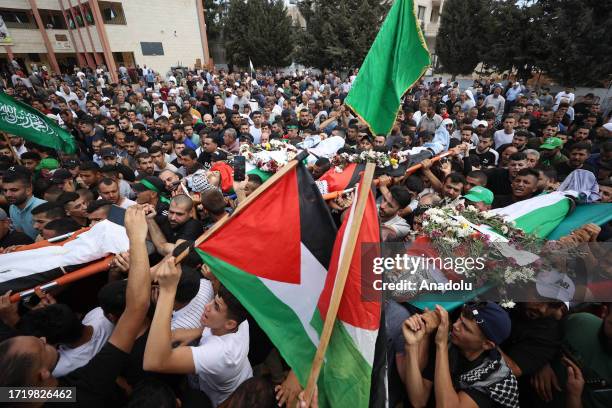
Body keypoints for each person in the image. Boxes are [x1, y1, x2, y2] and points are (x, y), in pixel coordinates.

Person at [0, 206, 152, 408]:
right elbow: (136, 308)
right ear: (44, 374)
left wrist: (16, 259)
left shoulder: (21, 396)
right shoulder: (84, 391)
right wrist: (136, 240)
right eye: (42, 346)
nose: (44, 338)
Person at [143, 261, 252, 407]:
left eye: (216, 307)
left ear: (230, 324)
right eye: (213, 300)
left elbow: (153, 362)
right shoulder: (240, 320)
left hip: (221, 398)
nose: (207, 306)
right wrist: (195, 332)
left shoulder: (221, 353)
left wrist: (167, 293)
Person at [400, 302, 518, 408]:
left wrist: (441, 345)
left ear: (487, 344)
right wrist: (412, 345)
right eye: (460, 319)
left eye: (466, 328)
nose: (456, 326)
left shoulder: (495, 379)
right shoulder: (452, 345)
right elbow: (418, 400)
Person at [3, 168, 46, 240]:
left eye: (14, 190)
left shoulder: (43, 207)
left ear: (29, 190)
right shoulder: (12, 207)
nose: (8, 194)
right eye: (5, 190)